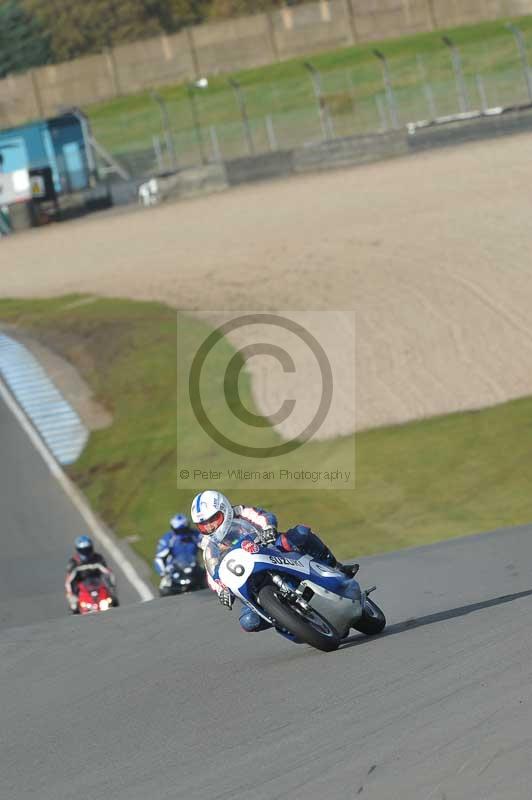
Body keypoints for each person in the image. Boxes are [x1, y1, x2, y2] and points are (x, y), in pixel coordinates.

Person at [191, 490, 358, 633]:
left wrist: (268, 528)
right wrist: (221, 589)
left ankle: (335, 566)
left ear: (224, 509)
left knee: (300, 533)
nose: (210, 527)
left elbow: (264, 516)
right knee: (248, 621)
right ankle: (287, 621)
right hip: (246, 577)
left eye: (212, 520)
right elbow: (212, 571)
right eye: (203, 525)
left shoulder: (240, 512)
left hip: (269, 548)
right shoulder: (208, 545)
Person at [65, 535, 117, 613]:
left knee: (113, 599)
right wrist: (71, 595)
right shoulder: (73, 562)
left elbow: (108, 572)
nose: (86, 552)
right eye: (83, 550)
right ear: (78, 550)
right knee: (74, 606)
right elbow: (69, 581)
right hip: (81, 587)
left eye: (88, 549)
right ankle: (76, 610)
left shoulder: (98, 558)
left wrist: (112, 586)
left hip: (97, 584)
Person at [153, 513, 202, 585]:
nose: (182, 533)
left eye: (184, 530)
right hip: (174, 570)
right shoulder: (168, 538)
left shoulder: (195, 535)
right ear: (173, 529)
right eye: (178, 530)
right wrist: (163, 573)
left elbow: (208, 547)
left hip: (194, 567)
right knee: (165, 585)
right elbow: (159, 558)